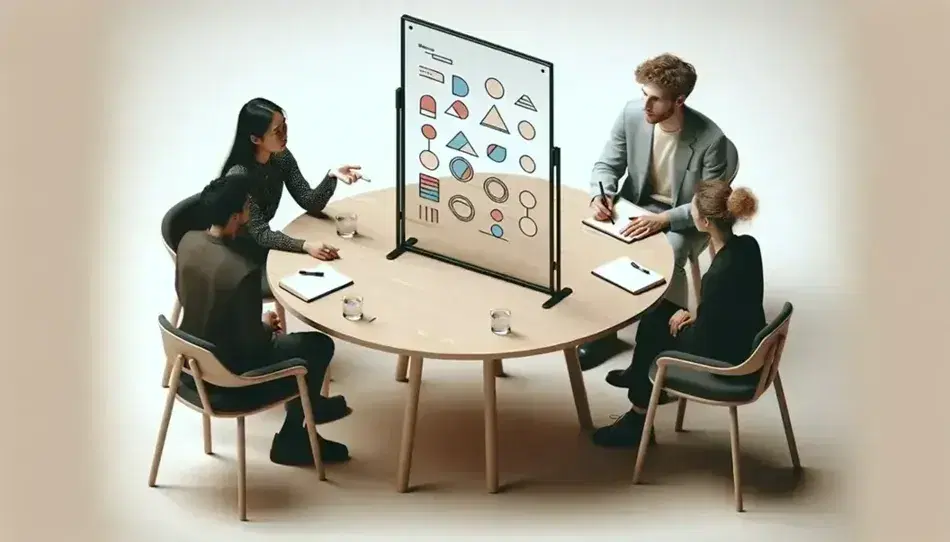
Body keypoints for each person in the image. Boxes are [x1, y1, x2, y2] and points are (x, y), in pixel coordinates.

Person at [175, 172, 352, 465]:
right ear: (236, 217)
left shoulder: (188, 242)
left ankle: (311, 406)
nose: (250, 209)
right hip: (227, 378)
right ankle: (292, 439)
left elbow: (187, 296)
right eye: (247, 205)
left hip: (190, 362)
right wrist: (267, 326)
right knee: (319, 346)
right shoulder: (241, 271)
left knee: (303, 346)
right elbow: (252, 345)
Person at [578, 53, 730, 370]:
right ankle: (604, 335)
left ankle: (659, 354)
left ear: (679, 101)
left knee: (668, 256)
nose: (646, 106)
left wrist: (664, 221)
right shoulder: (632, 114)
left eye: (655, 100)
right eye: (643, 95)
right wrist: (601, 194)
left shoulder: (711, 141)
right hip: (635, 203)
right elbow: (607, 164)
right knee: (591, 238)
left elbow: (709, 203)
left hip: (683, 218)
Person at [591, 181, 766, 448]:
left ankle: (638, 419)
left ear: (705, 222)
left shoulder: (718, 275)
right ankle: (641, 374)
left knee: (654, 327)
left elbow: (706, 341)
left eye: (693, 211)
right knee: (661, 313)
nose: (690, 214)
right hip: (746, 337)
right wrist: (695, 315)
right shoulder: (748, 247)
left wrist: (686, 325)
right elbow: (735, 306)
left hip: (728, 359)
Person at [220, 97, 366, 292]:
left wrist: (331, 176)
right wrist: (305, 245)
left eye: (284, 127)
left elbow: (309, 201)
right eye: (276, 132)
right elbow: (261, 235)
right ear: (256, 139)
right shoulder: (240, 177)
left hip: (260, 244)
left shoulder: (281, 157)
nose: (284, 136)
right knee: (313, 269)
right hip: (234, 253)